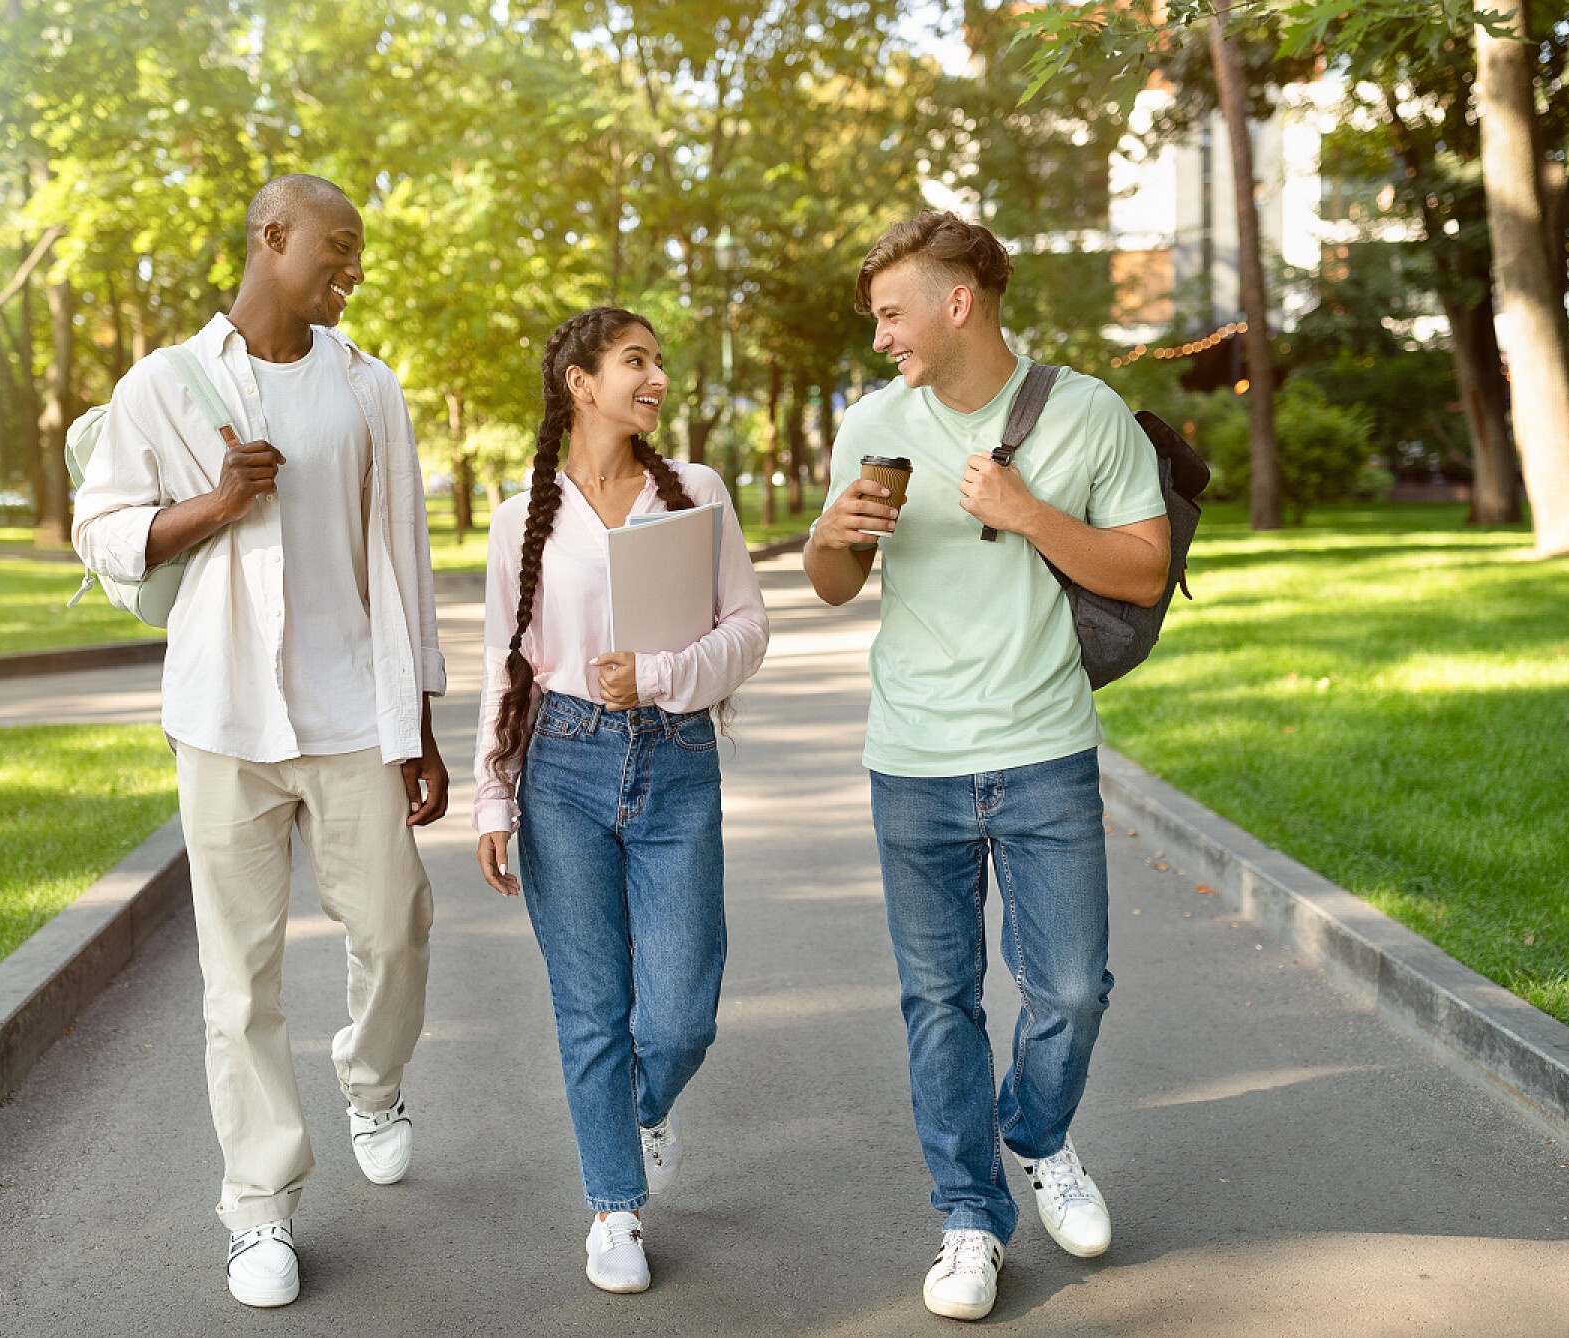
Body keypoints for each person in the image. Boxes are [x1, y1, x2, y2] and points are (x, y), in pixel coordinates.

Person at [72, 175, 448, 1309]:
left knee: (395, 927)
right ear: (270, 238)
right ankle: (258, 1207)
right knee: (238, 981)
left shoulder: (368, 387)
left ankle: (372, 1084)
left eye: (359, 252)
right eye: (337, 247)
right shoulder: (161, 386)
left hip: (348, 713)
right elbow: (103, 535)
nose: (354, 269)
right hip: (223, 718)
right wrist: (212, 507)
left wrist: (419, 718)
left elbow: (405, 556)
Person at [805, 212, 1170, 1322]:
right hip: (911, 758)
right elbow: (831, 584)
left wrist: (1028, 513)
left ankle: (1040, 1134)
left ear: (956, 302)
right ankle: (970, 1217)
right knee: (939, 1001)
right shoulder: (872, 420)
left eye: (890, 314)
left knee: (1069, 984)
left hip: (1045, 749)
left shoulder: (1090, 413)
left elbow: (1146, 570)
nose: (880, 339)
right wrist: (836, 531)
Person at [472, 307, 768, 1295]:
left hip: (677, 759)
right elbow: (504, 661)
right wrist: (492, 794)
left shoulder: (698, 497)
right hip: (561, 767)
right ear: (580, 383)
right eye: (635, 361)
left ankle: (640, 1110)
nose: (657, 379)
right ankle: (614, 1208)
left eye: (659, 362)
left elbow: (749, 632)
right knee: (590, 1005)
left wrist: (664, 674)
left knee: (682, 1012)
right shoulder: (524, 515)